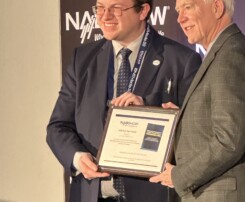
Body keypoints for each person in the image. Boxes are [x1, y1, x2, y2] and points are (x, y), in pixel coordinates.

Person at [46, 0, 202, 201]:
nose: (105, 16)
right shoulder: (82, 59)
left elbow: (198, 136)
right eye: (100, 8)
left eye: (116, 8)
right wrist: (77, 158)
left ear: (143, 11)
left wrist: (149, 113)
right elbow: (58, 126)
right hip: (92, 195)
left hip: (153, 195)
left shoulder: (181, 60)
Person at [150, 0, 245, 201]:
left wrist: (179, 175)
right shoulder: (222, 52)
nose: (180, 18)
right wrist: (183, 116)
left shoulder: (231, 55)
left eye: (188, 7)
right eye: (178, 10)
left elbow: (228, 142)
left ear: (217, 8)